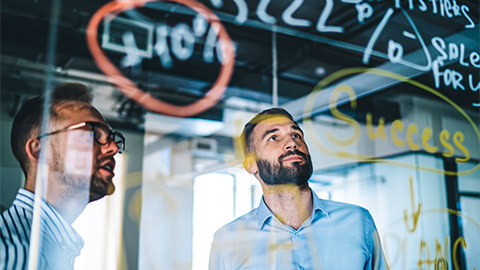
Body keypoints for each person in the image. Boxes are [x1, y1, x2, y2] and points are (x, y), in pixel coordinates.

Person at [209, 108, 387, 270]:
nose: (292, 144)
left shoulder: (358, 221)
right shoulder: (227, 241)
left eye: (296, 135)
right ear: (251, 165)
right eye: (273, 138)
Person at [0, 83, 125, 269]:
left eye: (112, 138)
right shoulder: (18, 254)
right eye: (92, 133)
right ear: (40, 151)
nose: (113, 148)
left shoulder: (46, 247)